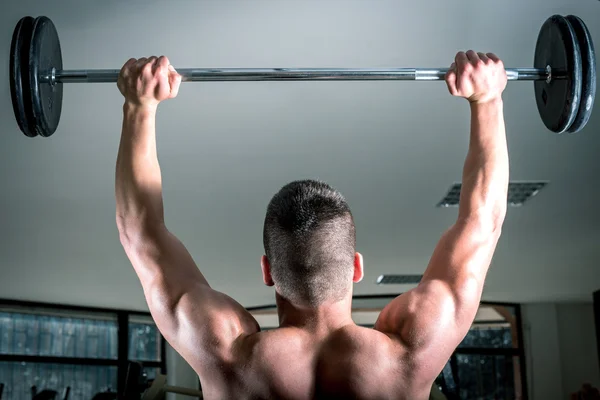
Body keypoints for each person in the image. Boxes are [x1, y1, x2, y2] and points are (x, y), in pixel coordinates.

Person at [115, 50, 508, 400]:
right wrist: (487, 99)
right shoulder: (410, 354)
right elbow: (482, 222)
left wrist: (140, 106)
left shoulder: (226, 353)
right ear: (356, 267)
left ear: (268, 271)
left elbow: (141, 232)